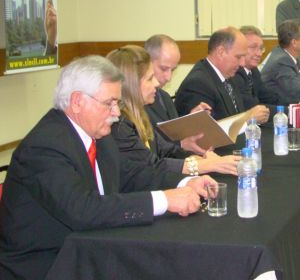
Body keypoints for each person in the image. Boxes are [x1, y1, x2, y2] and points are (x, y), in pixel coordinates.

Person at [0, 55, 215, 280]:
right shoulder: (44, 147)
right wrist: (165, 200)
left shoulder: (99, 136)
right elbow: (83, 209)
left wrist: (185, 182)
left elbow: (132, 176)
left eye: (117, 103)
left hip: (91, 251)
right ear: (77, 101)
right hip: (46, 266)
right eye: (109, 103)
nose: (116, 113)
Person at [107, 45, 240, 176]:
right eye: (150, 79)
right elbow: (151, 166)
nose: (156, 83)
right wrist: (201, 165)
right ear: (131, 85)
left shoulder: (139, 114)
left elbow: (166, 150)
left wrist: (202, 158)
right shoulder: (119, 125)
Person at [174, 27, 270, 123]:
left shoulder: (227, 75)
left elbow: (235, 114)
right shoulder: (197, 84)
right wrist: (247, 119)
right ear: (221, 52)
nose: (242, 63)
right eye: (238, 57)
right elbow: (208, 129)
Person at [144, 34, 210, 156]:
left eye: (173, 70)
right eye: (163, 69)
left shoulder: (164, 96)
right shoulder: (136, 102)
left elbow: (172, 135)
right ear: (146, 63)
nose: (168, 77)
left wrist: (190, 121)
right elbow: (152, 150)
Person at [233, 25, 282, 116]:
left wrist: (297, 105)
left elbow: (269, 97)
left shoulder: (253, 71)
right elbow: (252, 107)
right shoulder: (235, 73)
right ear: (239, 48)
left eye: (261, 48)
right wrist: (290, 111)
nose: (259, 53)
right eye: (253, 47)